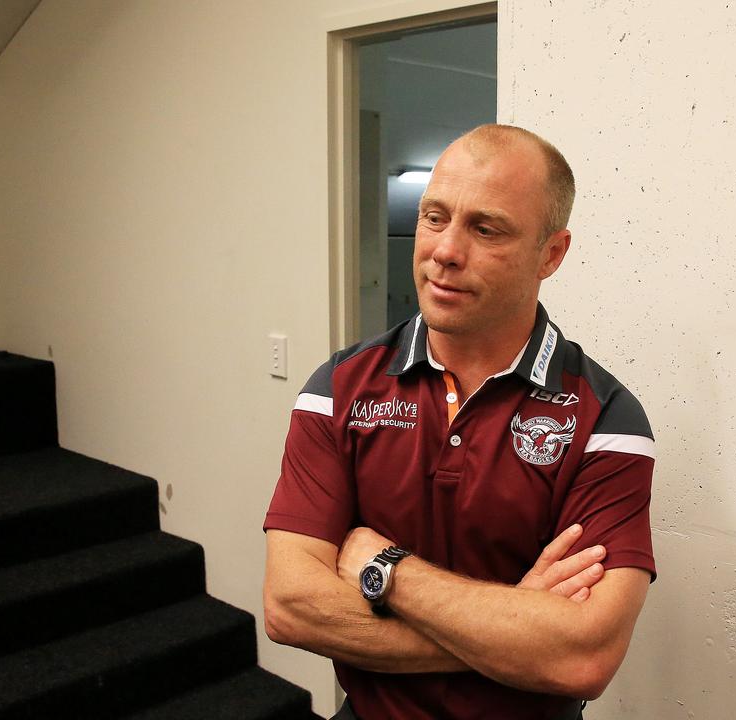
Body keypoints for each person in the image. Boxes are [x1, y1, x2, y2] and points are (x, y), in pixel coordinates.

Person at [263, 124, 657, 720]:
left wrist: (383, 569)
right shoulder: (338, 389)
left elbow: (583, 658)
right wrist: (515, 634)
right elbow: (291, 605)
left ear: (551, 253)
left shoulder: (605, 420)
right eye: (434, 217)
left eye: (486, 228)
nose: (445, 251)